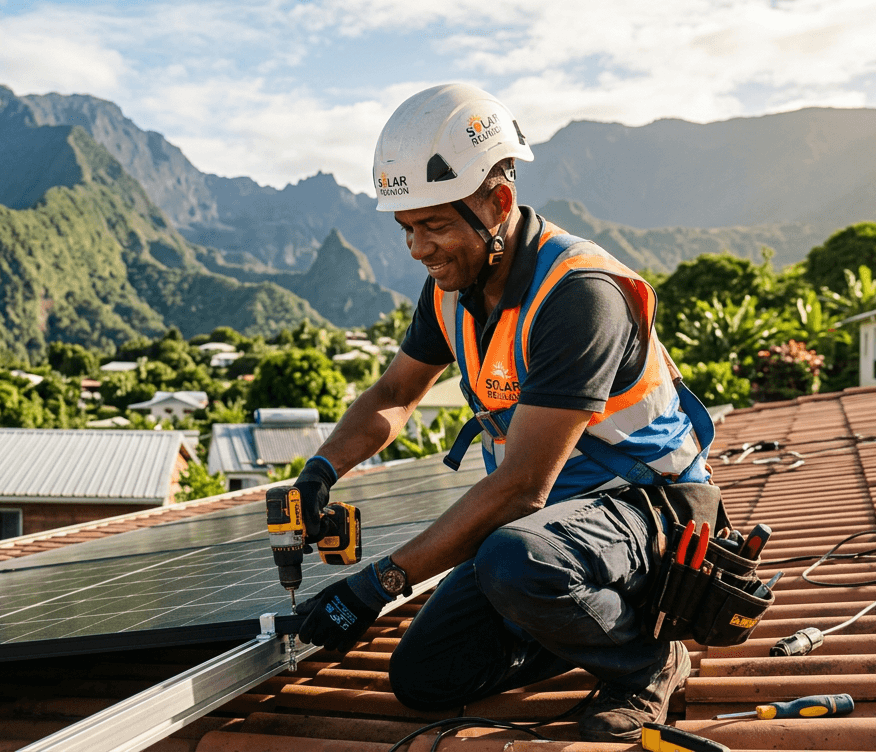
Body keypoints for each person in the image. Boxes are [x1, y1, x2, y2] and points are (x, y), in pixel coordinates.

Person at [288, 83, 714, 742]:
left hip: (652, 514)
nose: (418, 249)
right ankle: (579, 624)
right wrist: (320, 471)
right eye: (408, 229)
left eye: (435, 225)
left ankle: (647, 663)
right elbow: (393, 395)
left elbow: (520, 489)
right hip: (555, 533)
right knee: (427, 679)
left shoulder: (578, 295)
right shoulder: (451, 291)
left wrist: (375, 586)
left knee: (512, 559)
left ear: (499, 203)